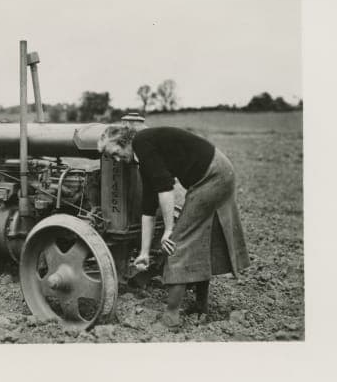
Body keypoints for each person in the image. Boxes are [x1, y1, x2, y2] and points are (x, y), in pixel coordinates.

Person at [97, 122, 251, 328]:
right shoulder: (143, 156)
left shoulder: (142, 143)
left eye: (115, 153)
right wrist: (144, 253)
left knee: (176, 244)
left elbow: (165, 188)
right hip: (220, 171)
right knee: (199, 240)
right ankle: (200, 305)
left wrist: (169, 231)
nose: (117, 160)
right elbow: (149, 207)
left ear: (123, 141)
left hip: (213, 177)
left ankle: (171, 316)